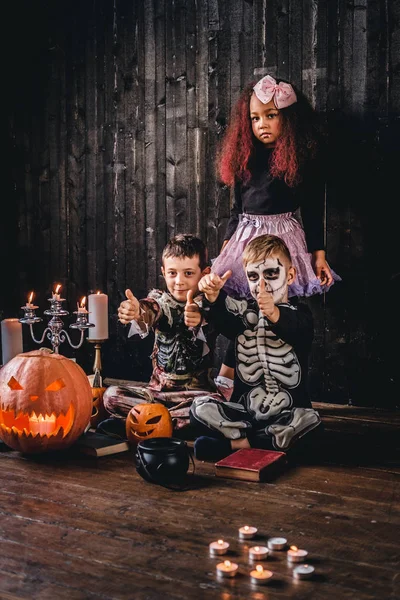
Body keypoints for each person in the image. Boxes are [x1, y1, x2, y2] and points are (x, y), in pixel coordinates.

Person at [211, 74, 341, 388]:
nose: (262, 124)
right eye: (255, 118)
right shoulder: (245, 158)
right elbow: (236, 211)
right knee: (247, 310)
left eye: (271, 116)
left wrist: (318, 258)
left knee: (282, 308)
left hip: (283, 238)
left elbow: (311, 212)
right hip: (246, 238)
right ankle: (228, 378)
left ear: (289, 119)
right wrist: (224, 253)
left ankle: (290, 383)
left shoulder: (301, 159)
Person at [190, 234, 322, 461]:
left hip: (287, 413)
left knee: (311, 422)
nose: (262, 284)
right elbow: (225, 321)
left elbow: (298, 330)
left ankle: (236, 444)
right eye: (253, 276)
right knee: (198, 409)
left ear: (290, 275)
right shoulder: (244, 315)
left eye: (271, 274)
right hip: (245, 413)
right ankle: (261, 441)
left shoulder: (301, 316)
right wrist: (214, 297)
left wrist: (273, 312)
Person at [100, 234, 223, 438]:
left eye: (188, 273)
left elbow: (212, 322)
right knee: (111, 396)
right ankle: (169, 425)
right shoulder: (161, 301)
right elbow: (152, 310)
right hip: (156, 395)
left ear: (204, 273)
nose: (179, 281)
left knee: (213, 406)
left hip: (194, 396)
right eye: (172, 273)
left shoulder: (210, 306)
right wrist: (138, 311)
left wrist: (199, 318)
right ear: (163, 272)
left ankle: (141, 424)